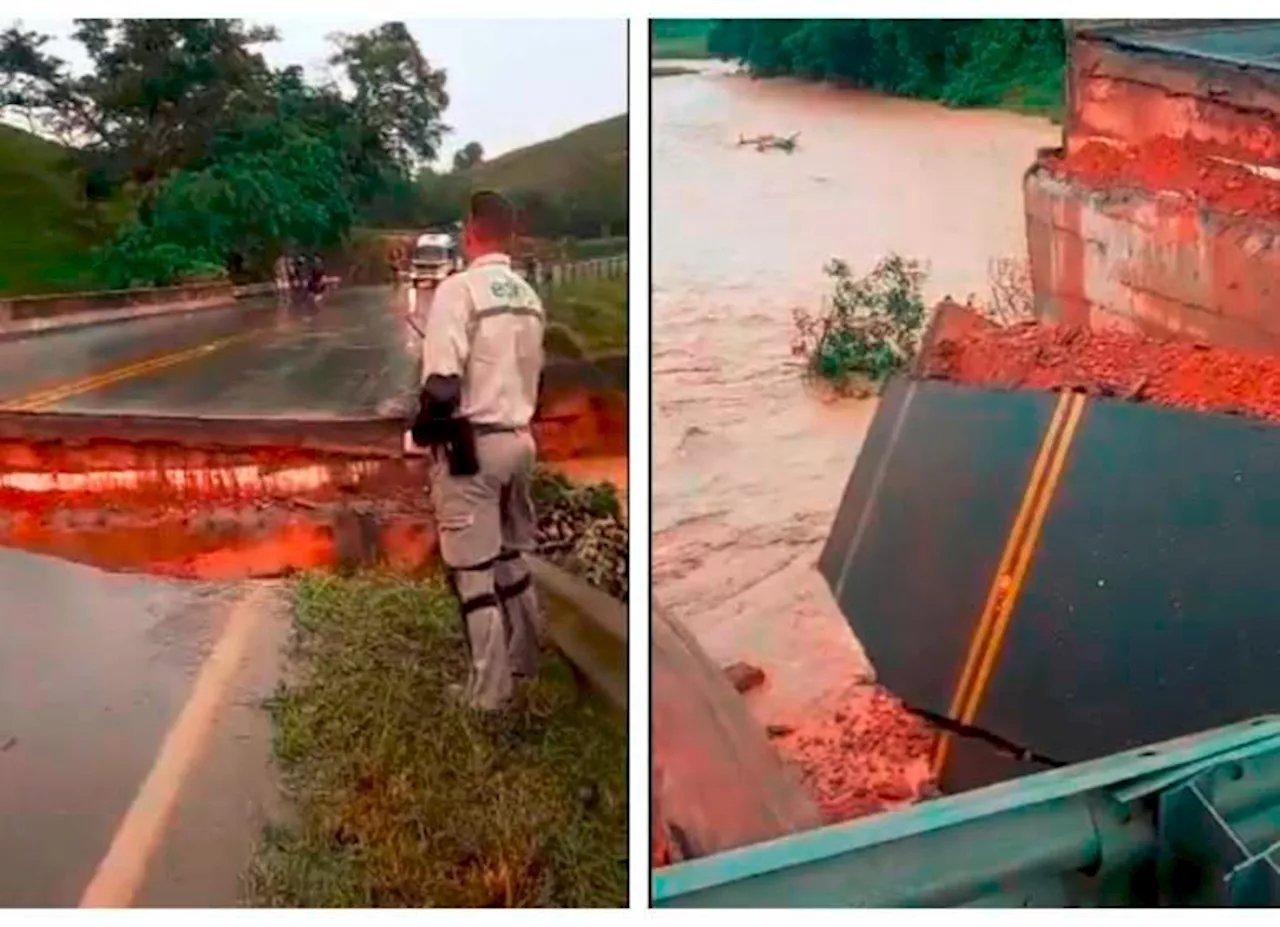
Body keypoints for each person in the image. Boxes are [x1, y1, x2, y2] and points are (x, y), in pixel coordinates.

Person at [410, 189, 546, 713]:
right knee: (510, 552)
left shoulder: (458, 290)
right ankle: (527, 657)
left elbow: (443, 384)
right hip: (521, 440)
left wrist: (422, 428)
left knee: (472, 573)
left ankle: (489, 695)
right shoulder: (529, 296)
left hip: (475, 448)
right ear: (510, 234)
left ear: (470, 233)